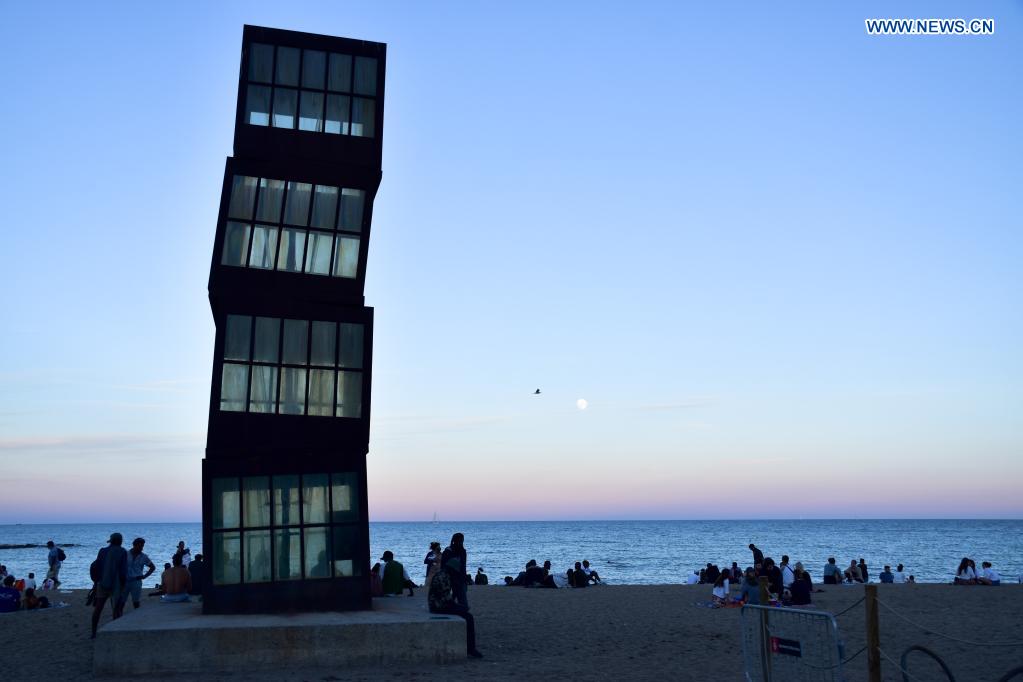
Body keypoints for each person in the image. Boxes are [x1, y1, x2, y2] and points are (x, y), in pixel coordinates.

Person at [428, 557, 482, 658]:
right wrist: (459, 607)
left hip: (438, 604)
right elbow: (446, 600)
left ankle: (470, 647)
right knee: (469, 617)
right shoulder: (443, 577)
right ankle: (471, 648)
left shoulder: (443, 575)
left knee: (464, 612)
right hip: (438, 606)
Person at [91, 532, 128, 638]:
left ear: (110, 541)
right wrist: (123, 586)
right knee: (116, 609)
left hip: (102, 583)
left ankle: (93, 633)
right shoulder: (122, 552)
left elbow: (96, 566)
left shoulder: (102, 551)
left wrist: (95, 583)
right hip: (116, 585)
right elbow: (123, 571)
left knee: (98, 609)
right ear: (120, 541)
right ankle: (116, 632)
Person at [116, 537, 156, 615]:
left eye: (142, 546)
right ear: (134, 545)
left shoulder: (144, 556)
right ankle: (119, 617)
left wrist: (145, 576)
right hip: (125, 581)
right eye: (140, 546)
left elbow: (152, 567)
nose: (141, 548)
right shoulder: (126, 554)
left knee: (136, 602)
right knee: (121, 602)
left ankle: (137, 617)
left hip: (136, 581)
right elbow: (119, 566)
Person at [441, 533, 468, 607]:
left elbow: (463, 566)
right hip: (453, 578)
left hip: (456, 578)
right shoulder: (449, 551)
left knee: (460, 600)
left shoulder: (461, 551)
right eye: (461, 541)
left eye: (462, 541)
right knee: (462, 602)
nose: (461, 542)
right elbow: (462, 567)